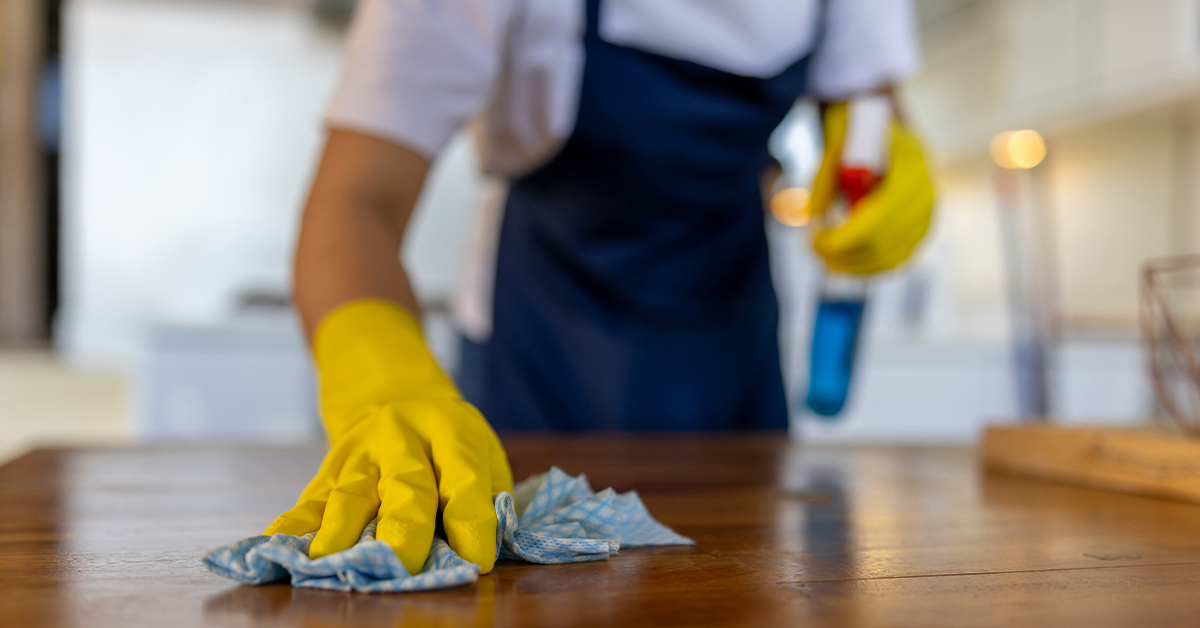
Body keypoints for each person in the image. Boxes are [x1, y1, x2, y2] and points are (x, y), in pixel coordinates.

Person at [264, 0, 934, 577]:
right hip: (542, 329)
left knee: (746, 581)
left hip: (732, 331)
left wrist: (887, 159)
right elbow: (356, 201)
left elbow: (870, 108)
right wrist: (385, 381)